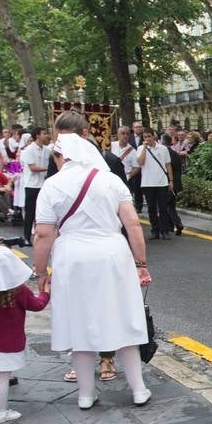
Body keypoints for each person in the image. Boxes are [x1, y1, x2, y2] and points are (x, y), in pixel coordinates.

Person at [32, 111, 152, 409]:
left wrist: (39, 272)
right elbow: (133, 225)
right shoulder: (111, 182)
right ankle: (138, 389)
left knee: (79, 324)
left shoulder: (52, 186)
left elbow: (43, 235)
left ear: (64, 156)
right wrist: (141, 264)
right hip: (113, 253)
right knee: (123, 319)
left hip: (72, 257)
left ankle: (86, 394)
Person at [0, 246, 50, 424]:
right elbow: (37, 305)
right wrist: (46, 292)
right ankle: (0, 412)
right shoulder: (19, 291)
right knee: (2, 377)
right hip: (10, 343)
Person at [133, 129, 175, 239]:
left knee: (163, 208)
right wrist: (145, 149)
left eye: (149, 136)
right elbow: (140, 162)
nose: (147, 139)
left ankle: (165, 230)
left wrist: (171, 180)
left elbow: (168, 165)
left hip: (162, 182)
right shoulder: (141, 149)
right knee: (151, 208)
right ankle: (154, 230)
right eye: (145, 137)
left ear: (153, 137)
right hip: (148, 183)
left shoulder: (163, 148)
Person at [19, 127, 51, 247]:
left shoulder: (46, 150)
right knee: (30, 212)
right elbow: (33, 168)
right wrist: (49, 169)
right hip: (32, 185)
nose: (46, 135)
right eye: (44, 133)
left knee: (42, 212)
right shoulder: (29, 150)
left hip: (43, 184)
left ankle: (41, 235)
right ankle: (27, 237)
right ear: (37, 135)